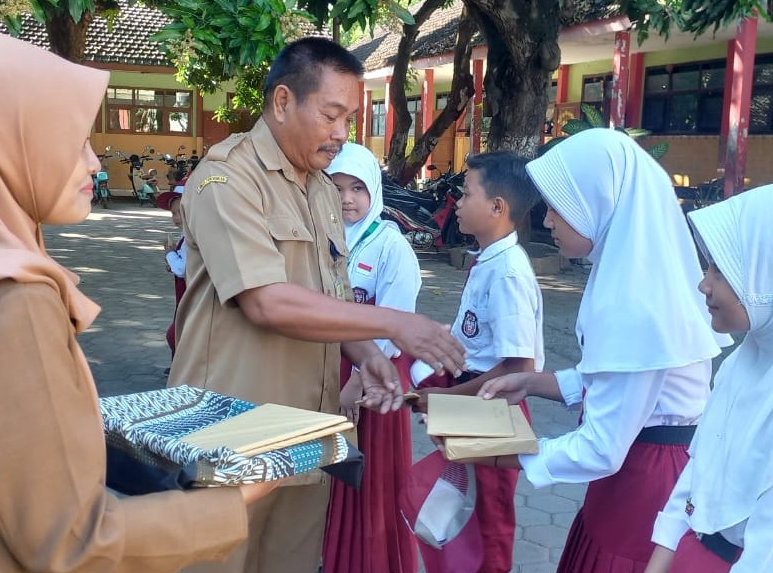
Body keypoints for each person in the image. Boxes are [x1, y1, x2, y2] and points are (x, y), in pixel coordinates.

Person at [0, 24, 277, 573]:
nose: (94, 163)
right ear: (8, 145)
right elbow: (72, 541)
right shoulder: (10, 298)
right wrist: (235, 501)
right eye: (74, 142)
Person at [167, 36, 466, 573]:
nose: (341, 133)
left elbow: (331, 294)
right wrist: (395, 323)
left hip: (306, 428)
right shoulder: (225, 178)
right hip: (229, 427)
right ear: (283, 101)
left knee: (293, 561)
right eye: (331, 116)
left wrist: (368, 355)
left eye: (349, 119)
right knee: (217, 560)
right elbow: (265, 301)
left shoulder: (322, 190)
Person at [476, 128, 730, 572]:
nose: (547, 221)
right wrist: (533, 382)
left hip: (643, 485)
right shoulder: (632, 273)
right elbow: (618, 378)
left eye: (558, 207)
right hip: (641, 465)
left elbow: (600, 448)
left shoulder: (636, 301)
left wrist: (497, 452)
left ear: (598, 201)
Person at [415, 151, 544, 573]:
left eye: (467, 193)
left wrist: (448, 399)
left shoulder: (507, 272)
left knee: (488, 521)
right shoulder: (487, 260)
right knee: (461, 509)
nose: (458, 202)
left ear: (497, 207)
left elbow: (519, 368)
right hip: (475, 397)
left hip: (494, 407)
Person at [645, 184, 773, 573]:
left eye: (721, 269)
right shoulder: (741, 363)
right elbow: (696, 477)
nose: (703, 284)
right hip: (691, 553)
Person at [322, 143, 421, 573]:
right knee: (332, 473)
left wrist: (358, 380)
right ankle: (334, 557)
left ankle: (372, 563)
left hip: (375, 379)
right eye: (336, 188)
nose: (346, 199)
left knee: (372, 478)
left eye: (357, 188)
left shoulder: (391, 246)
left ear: (374, 191)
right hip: (332, 369)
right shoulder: (323, 239)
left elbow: (394, 325)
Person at [157, 184, 187, 358]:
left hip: (191, 294)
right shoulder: (186, 233)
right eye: (173, 213)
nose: (175, 218)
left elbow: (182, 268)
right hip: (183, 293)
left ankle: (181, 367)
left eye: (180, 212)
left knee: (175, 335)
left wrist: (169, 254)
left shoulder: (193, 236)